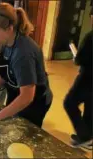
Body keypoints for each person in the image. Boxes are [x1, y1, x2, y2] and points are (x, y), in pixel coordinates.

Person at [0, 3, 53, 128]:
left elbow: (27, 97)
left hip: (34, 102)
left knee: (24, 134)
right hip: (16, 92)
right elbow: (5, 74)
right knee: (11, 126)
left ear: (9, 28)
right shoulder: (6, 42)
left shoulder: (23, 54)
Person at [63, 7, 93, 149]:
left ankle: (86, 137)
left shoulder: (90, 37)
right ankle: (87, 136)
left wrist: (76, 57)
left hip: (87, 78)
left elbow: (79, 60)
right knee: (90, 106)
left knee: (69, 103)